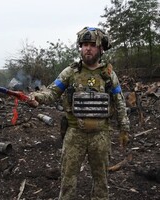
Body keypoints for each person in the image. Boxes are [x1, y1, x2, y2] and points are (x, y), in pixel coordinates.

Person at [28, 27, 130, 200]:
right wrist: (35, 97)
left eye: (92, 45)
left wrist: (124, 128)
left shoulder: (108, 75)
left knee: (101, 181)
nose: (87, 48)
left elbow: (119, 101)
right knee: (68, 180)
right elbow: (52, 92)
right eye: (84, 44)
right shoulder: (70, 73)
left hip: (101, 135)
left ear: (101, 48)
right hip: (75, 134)